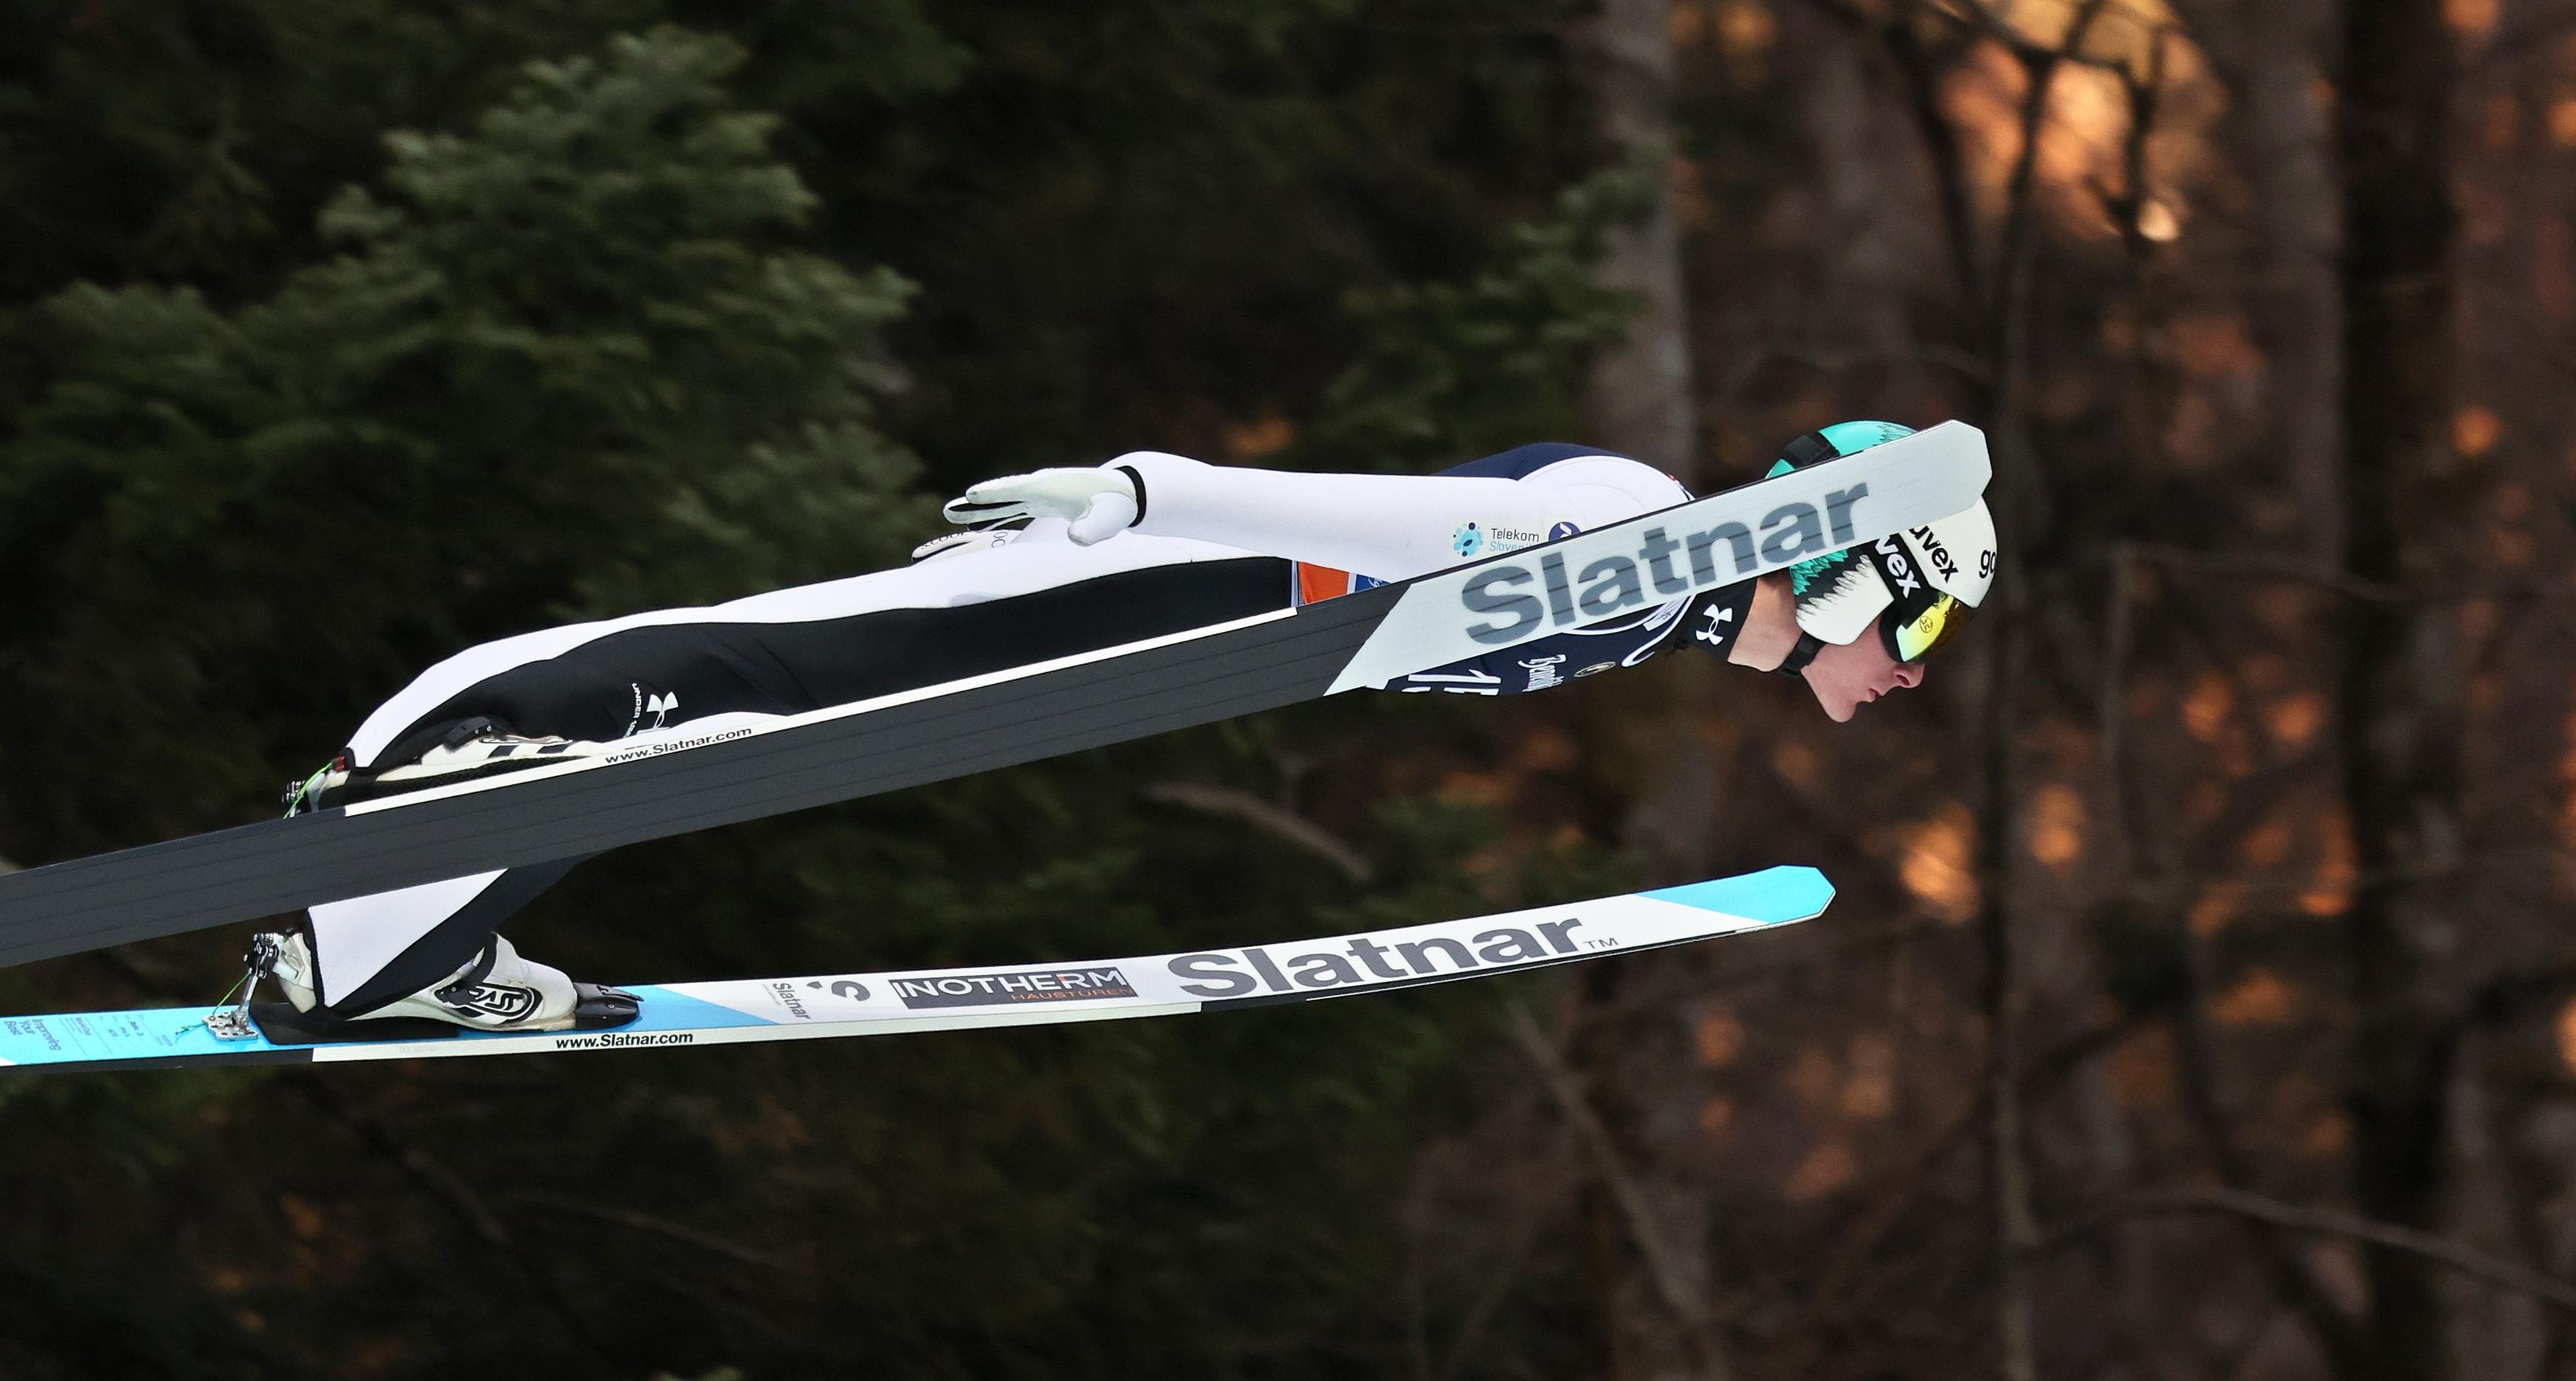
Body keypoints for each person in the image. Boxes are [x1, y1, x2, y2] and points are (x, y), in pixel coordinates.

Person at [252, 421, 1996, 1038]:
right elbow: (1401, 530)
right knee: (790, 677)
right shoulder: (1636, 522)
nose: (1912, 673)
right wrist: (1156, 496)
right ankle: (408, 778)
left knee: (766, 733)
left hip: (1204, 611)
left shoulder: (1658, 602)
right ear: (1864, 565)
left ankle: (393, 937)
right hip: (1178, 585)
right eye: (1922, 624)